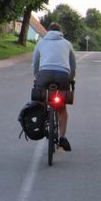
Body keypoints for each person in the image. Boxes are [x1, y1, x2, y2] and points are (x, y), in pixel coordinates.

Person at [32, 22, 76, 151]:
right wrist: (71, 78)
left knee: (41, 100)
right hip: (63, 75)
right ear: (60, 32)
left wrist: (37, 76)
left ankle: (42, 120)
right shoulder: (67, 43)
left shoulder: (41, 42)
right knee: (62, 109)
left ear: (48, 31)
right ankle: (62, 137)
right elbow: (73, 65)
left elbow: (35, 63)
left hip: (44, 74)